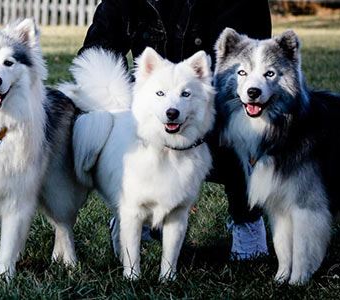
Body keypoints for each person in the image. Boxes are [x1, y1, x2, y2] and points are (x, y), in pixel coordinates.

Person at [78, 0, 272, 260]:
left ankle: (246, 218)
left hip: (216, 108)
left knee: (246, 125)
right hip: (149, 113)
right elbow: (95, 56)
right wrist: (121, 107)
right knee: (122, 130)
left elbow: (250, 61)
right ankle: (138, 211)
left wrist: (199, 102)